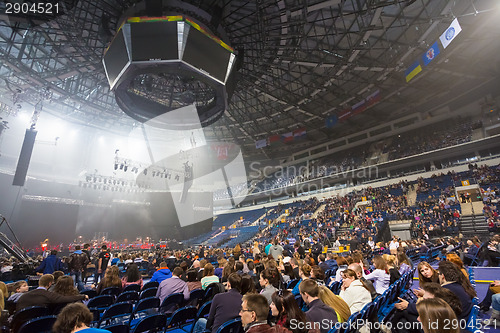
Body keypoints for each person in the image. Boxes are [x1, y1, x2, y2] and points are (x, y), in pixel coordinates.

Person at [16, 274, 87, 311]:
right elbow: (63, 299)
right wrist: (82, 296)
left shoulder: (24, 297)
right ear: (50, 284)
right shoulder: (50, 296)